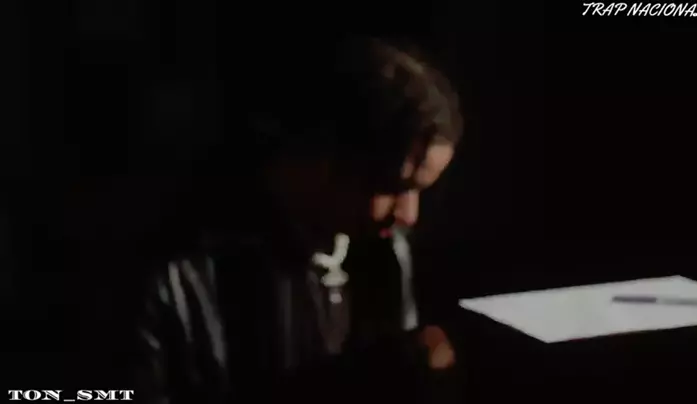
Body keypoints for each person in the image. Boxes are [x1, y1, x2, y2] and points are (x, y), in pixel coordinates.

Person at [120, 35, 464, 403]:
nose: (409, 216)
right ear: (320, 154)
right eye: (393, 187)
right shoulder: (167, 272)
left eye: (420, 192)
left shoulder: (384, 251)